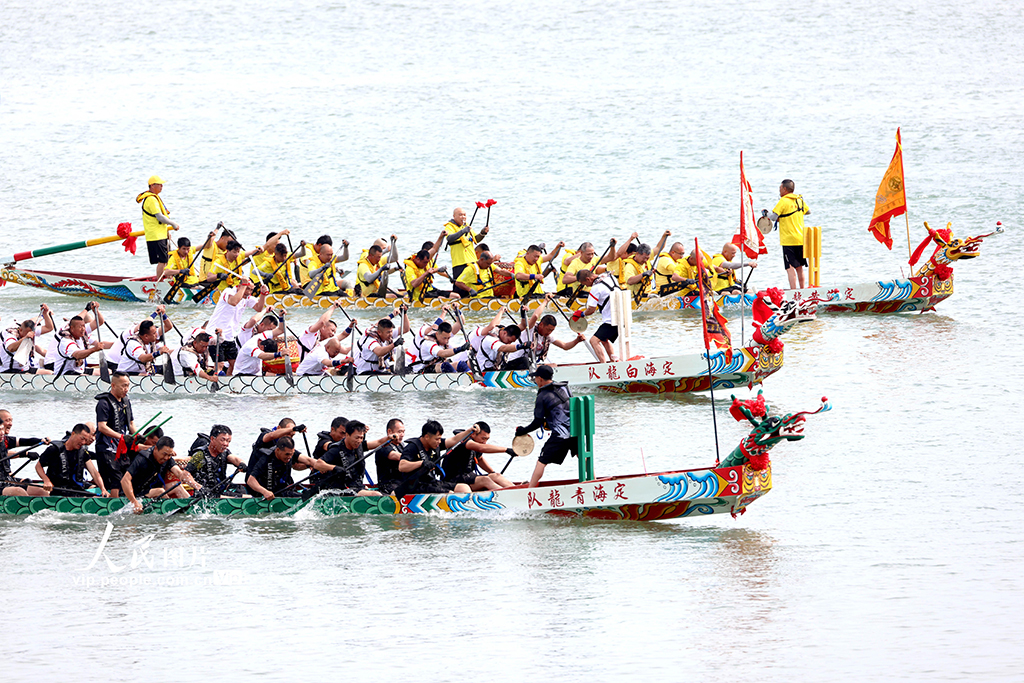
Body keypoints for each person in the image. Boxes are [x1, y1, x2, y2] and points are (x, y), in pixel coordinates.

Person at [518, 365, 576, 487]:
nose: (535, 381)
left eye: (535, 378)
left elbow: (537, 422)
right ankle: (594, 480)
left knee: (542, 461)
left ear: (540, 378)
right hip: (576, 430)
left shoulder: (542, 396)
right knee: (581, 455)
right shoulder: (565, 388)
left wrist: (523, 430)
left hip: (560, 435)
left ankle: (530, 490)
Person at [122, 436, 203, 513]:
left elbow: (179, 473)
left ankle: (192, 507)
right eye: (164, 454)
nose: (166, 458)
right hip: (136, 492)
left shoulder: (167, 459)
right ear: (156, 449)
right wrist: (134, 502)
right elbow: (124, 480)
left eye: (169, 455)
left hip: (151, 488)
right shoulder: (142, 458)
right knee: (160, 491)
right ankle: (170, 509)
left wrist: (198, 487)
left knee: (177, 485)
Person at [394, 421, 475, 497]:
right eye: (437, 439)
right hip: (416, 485)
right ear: (427, 437)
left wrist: (470, 431)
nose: (439, 442)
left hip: (431, 482)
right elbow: (402, 466)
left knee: (463, 487)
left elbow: (454, 440)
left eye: (440, 439)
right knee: (450, 494)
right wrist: (422, 463)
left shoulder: (436, 445)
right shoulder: (412, 447)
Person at [306, 420, 386, 496]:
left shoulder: (359, 446)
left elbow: (379, 442)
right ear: (347, 435)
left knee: (376, 492)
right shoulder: (336, 449)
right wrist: (334, 468)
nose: (359, 441)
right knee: (376, 495)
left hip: (354, 486)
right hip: (339, 489)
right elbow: (317, 464)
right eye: (356, 437)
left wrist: (389, 438)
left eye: (361, 438)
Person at [205, 280, 268, 373]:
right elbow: (233, 302)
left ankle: (229, 380)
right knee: (220, 364)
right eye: (247, 288)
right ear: (239, 286)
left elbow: (259, 308)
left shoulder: (247, 298)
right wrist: (244, 285)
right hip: (215, 334)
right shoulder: (228, 291)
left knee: (235, 364)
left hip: (229, 336)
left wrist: (263, 294)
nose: (248, 292)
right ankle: (216, 380)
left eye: (251, 290)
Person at [34, 424, 105, 497]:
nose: (83, 442)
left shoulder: (82, 452)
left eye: (86, 440)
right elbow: (38, 466)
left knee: (96, 497)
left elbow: (94, 473)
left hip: (76, 490)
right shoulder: (54, 449)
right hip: (58, 490)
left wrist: (103, 489)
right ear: (73, 434)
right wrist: (46, 480)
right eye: (82, 438)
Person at [440, 421, 515, 491]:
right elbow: (481, 448)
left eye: (487, 439)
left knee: (496, 476)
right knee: (485, 480)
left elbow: (479, 459)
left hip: (467, 477)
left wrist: (492, 472)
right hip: (453, 479)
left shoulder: (477, 443)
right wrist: (506, 450)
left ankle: (516, 490)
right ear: (473, 434)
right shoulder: (465, 440)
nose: (484, 442)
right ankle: (506, 494)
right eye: (483, 438)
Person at [94, 372, 135, 497]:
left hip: (121, 447)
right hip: (106, 448)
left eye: (128, 385)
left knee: (126, 476)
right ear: (113, 385)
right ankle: (112, 503)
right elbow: (102, 427)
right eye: (123, 386)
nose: (126, 389)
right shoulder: (104, 403)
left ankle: (126, 501)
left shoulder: (126, 401)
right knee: (115, 480)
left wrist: (137, 436)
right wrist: (121, 437)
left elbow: (131, 424)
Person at [245, 436, 322, 500]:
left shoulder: (290, 452)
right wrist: (265, 492)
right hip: (267, 494)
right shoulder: (266, 458)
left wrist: (323, 466)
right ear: (277, 450)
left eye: (291, 454)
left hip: (283, 489)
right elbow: (250, 480)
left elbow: (309, 460)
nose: (289, 457)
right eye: (287, 454)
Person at [766, 179, 811, 289]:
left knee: (790, 267)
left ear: (785, 189)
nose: (779, 190)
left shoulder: (783, 201)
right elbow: (808, 212)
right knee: (799, 267)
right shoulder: (799, 200)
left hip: (788, 239)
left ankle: (793, 291)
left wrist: (766, 214)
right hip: (800, 238)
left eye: (780, 188)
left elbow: (774, 217)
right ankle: (802, 290)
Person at [570, 269, 619, 362]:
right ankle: (614, 362)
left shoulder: (596, 288)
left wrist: (582, 314)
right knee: (603, 339)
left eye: (584, 284)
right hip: (623, 317)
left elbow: (591, 310)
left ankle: (603, 365)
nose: (586, 286)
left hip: (611, 321)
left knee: (593, 341)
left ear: (588, 279)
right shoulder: (610, 277)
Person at [519, 296, 586, 364]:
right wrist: (545, 301)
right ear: (541, 324)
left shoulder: (548, 336)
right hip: (519, 360)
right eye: (548, 329)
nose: (549, 332)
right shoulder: (530, 328)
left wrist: (577, 340)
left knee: (553, 365)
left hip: (532, 363)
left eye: (552, 330)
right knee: (547, 368)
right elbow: (536, 316)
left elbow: (565, 346)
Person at [136, 175, 180, 280]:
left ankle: (169, 278)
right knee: (162, 260)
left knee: (167, 258)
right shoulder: (151, 199)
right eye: (159, 184)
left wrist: (166, 232)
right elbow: (160, 217)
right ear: (152, 185)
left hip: (160, 234)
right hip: (155, 235)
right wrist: (173, 224)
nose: (161, 186)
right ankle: (159, 281)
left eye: (162, 184)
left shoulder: (154, 198)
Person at [0, 412, 50, 496]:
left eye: (2, 429)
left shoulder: (5, 440)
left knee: (41, 490)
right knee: (19, 492)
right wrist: (25, 454)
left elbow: (25, 441)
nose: (2, 433)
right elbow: (7, 454)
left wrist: (40, 441)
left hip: (6, 479)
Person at [185, 424, 246, 491]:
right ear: (212, 439)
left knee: (241, 490)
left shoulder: (224, 453)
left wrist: (242, 463)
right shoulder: (200, 455)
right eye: (222, 440)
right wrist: (199, 488)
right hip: (206, 492)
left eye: (228, 441)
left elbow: (234, 459)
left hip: (220, 488)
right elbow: (185, 474)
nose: (226, 444)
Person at [116, 308, 174, 375]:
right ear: (146, 336)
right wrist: (159, 353)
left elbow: (168, 326)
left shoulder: (150, 336)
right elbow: (143, 358)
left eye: (156, 332)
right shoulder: (134, 343)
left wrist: (163, 314)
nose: (157, 335)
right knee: (146, 374)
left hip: (141, 371)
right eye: (154, 333)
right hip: (125, 373)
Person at [444, 208, 490, 280]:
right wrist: (462, 231)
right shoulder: (449, 226)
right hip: (460, 263)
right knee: (459, 283)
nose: (463, 217)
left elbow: (476, 239)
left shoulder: (467, 226)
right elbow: (449, 238)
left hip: (472, 261)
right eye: (460, 215)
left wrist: (483, 233)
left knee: (473, 282)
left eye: (464, 215)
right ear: (454, 216)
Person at [374, 418, 405, 495]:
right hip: (388, 485)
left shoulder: (401, 446)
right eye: (399, 432)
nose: (402, 435)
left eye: (403, 432)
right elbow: (396, 456)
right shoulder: (383, 446)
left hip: (401, 482)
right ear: (390, 432)